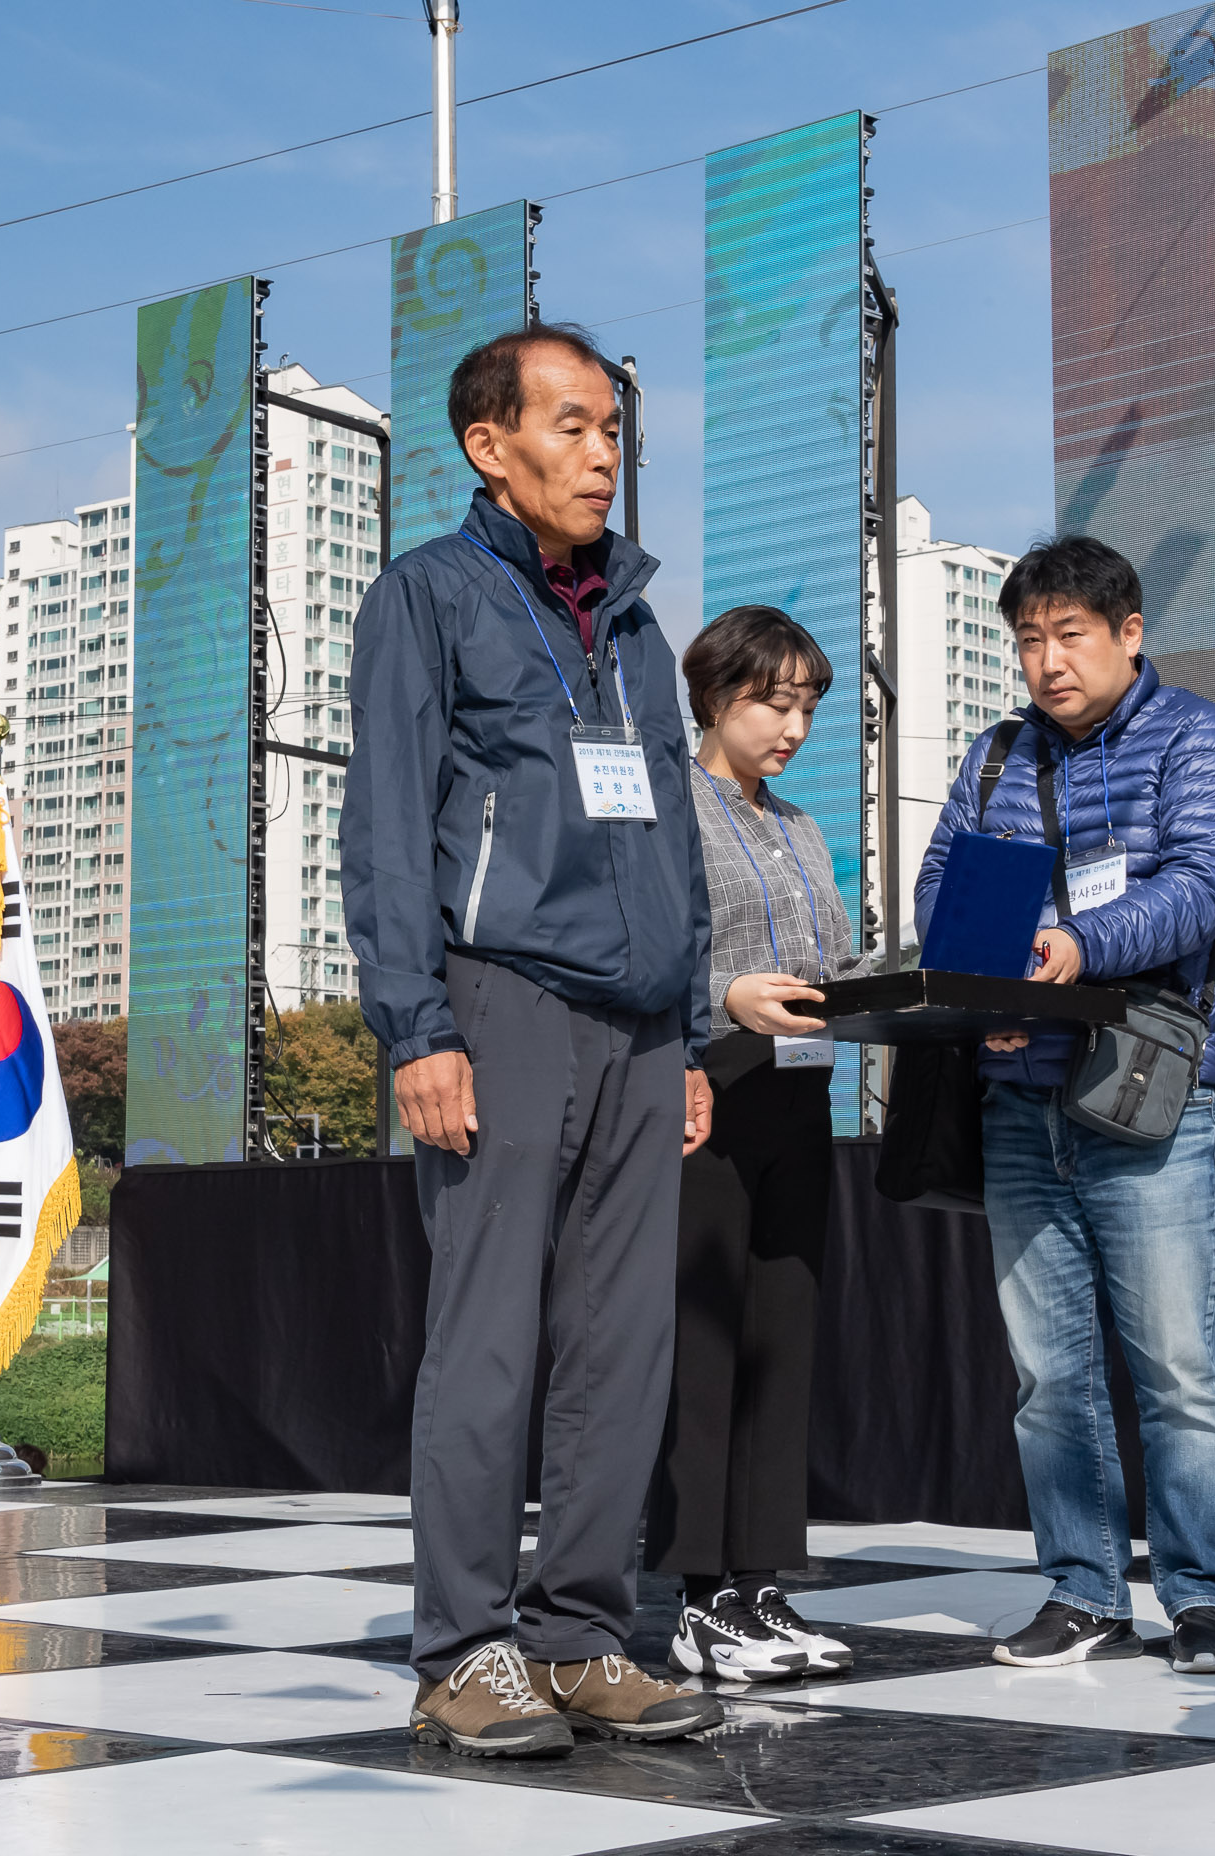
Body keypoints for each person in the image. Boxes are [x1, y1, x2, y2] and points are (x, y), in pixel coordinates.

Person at [345, 321, 721, 1759]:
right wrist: (416, 1026)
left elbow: (671, 831)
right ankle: (463, 1649)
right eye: (569, 424)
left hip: (638, 1024)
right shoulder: (427, 598)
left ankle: (580, 1637)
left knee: (620, 1347)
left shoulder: (632, 626)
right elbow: (382, 828)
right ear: (489, 449)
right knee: (490, 1339)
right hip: (497, 1000)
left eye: (613, 426)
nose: (602, 450)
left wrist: (688, 1035)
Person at [913, 534, 1215, 1678]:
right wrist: (980, 988)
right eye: (1028, 640)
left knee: (1177, 1362)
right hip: (1020, 1097)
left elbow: (1206, 879)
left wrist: (1076, 948)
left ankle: (1201, 1597)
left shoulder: (1198, 735)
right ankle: (1082, 1589)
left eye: (1069, 635)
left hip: (1146, 1099)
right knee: (1047, 1369)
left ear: (1129, 631)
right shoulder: (993, 753)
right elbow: (940, 884)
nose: (1046, 661)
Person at [648, 605, 865, 1686]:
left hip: (801, 1100)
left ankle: (759, 1586)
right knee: (704, 1350)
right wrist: (721, 995)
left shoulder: (803, 826)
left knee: (783, 1344)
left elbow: (828, 959)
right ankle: (692, 1598)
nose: (793, 724)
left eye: (809, 705)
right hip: (706, 1101)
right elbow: (640, 953)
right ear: (715, 695)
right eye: (773, 701)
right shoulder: (663, 810)